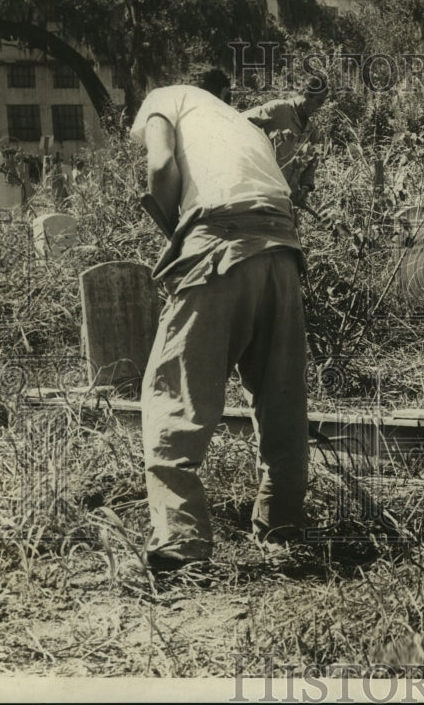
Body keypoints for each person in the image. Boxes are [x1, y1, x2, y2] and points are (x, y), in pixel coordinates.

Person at [129, 67, 311, 574]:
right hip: (283, 248)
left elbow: (161, 166)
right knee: (281, 396)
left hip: (219, 242)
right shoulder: (239, 122)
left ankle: (181, 543)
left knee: (173, 392)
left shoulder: (164, 95)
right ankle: (283, 531)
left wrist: (175, 237)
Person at [243, 82, 328, 210]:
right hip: (262, 192)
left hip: (288, 199)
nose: (319, 107)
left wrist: (305, 187)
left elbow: (311, 164)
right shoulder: (279, 109)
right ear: (306, 94)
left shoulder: (311, 131)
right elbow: (242, 121)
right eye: (319, 102)